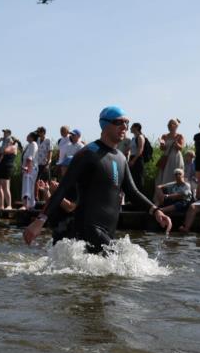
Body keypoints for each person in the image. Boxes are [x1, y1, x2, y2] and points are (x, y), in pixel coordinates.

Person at [24, 106, 172, 253]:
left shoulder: (121, 158)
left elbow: (132, 192)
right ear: (105, 124)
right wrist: (40, 221)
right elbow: (63, 188)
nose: (125, 127)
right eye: (119, 122)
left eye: (127, 123)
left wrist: (156, 211)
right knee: (119, 267)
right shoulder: (87, 153)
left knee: (112, 269)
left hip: (109, 230)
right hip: (88, 228)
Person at [0, 129, 17, 209]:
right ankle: (1, 205)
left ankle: (9, 205)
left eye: (5, 133)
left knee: (5, 187)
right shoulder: (3, 143)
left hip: (6, 167)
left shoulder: (13, 146)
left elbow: (4, 151)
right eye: (4, 133)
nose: (4, 134)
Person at [156, 119, 185, 186]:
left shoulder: (179, 136)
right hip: (166, 157)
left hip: (176, 158)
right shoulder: (164, 136)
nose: (169, 126)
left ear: (176, 126)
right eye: (169, 125)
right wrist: (162, 145)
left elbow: (181, 148)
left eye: (171, 124)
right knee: (165, 176)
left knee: (176, 175)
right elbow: (162, 149)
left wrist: (176, 143)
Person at [128, 123, 148, 194]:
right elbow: (130, 149)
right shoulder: (133, 138)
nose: (130, 128)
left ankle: (141, 200)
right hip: (132, 158)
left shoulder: (140, 137)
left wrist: (133, 160)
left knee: (138, 180)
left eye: (132, 127)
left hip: (138, 159)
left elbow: (140, 150)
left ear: (136, 128)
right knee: (132, 179)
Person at [20, 131, 38, 209]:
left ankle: (26, 205)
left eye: (28, 135)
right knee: (28, 186)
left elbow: (30, 157)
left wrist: (27, 167)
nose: (27, 136)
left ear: (32, 137)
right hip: (27, 169)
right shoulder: (29, 145)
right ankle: (30, 205)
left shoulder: (33, 144)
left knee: (27, 186)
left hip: (30, 168)